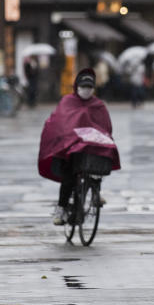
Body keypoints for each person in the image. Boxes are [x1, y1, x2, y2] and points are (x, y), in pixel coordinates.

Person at [38, 68, 120, 225]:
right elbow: (58, 122)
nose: (86, 91)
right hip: (68, 148)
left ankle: (95, 192)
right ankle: (61, 209)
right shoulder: (67, 102)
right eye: (84, 87)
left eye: (90, 88)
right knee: (68, 177)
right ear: (77, 86)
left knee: (99, 162)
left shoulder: (98, 105)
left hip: (90, 148)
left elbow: (106, 127)